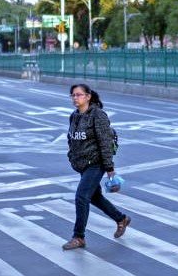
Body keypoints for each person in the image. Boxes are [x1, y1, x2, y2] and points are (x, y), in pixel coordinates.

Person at [62, 83, 130, 250]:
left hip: (96, 163)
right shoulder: (74, 116)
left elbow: (105, 143)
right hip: (82, 164)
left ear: (88, 96)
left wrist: (109, 168)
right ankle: (121, 218)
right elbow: (71, 138)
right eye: (73, 95)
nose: (75, 98)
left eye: (78, 95)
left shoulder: (98, 115)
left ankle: (79, 237)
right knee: (94, 197)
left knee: (81, 197)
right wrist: (72, 157)